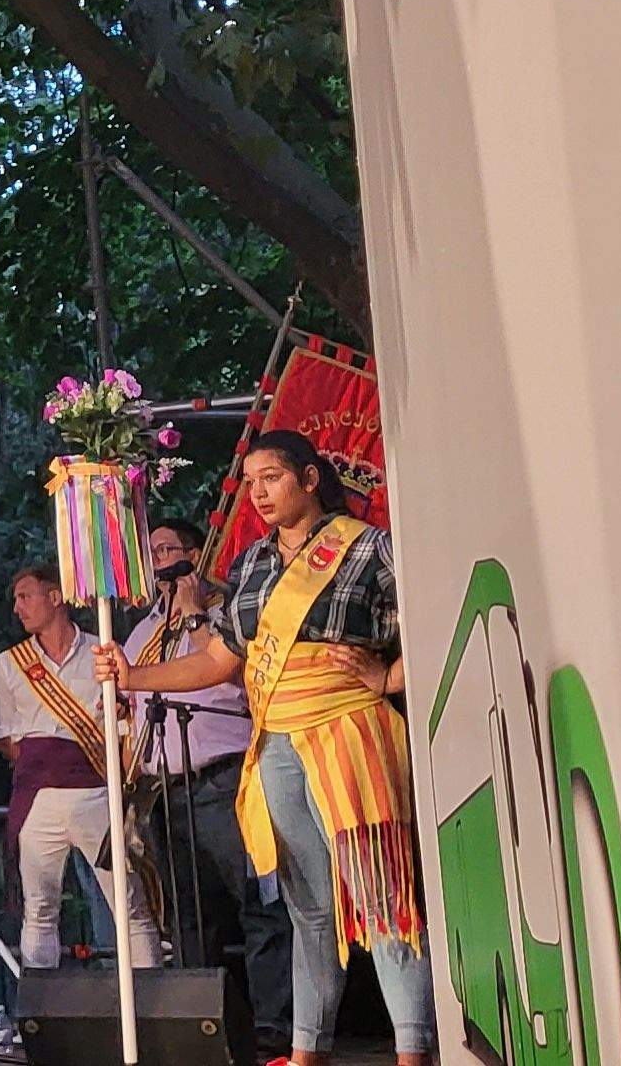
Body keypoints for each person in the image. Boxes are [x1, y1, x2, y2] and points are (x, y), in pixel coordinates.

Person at [102, 432, 434, 1066]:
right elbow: (220, 661)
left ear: (309, 479)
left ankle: (413, 1052)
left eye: (272, 478)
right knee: (307, 907)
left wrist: (387, 679)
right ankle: (309, 1052)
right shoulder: (253, 562)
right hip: (275, 739)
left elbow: (433, 618)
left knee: (381, 899)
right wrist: (130, 675)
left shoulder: (368, 548)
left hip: (349, 732)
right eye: (251, 482)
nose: (258, 493)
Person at [122, 516, 293, 1059]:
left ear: (195, 556)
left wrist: (196, 612)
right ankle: (205, 1028)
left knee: (257, 904)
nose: (159, 561)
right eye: (151, 553)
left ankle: (274, 1030)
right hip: (163, 790)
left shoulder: (226, 616)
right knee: (190, 916)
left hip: (223, 778)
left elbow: (238, 677)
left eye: (168, 548)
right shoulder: (143, 631)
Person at [0, 565, 165, 970]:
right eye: (16, 599)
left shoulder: (102, 652)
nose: (18, 607)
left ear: (55, 597)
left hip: (97, 792)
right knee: (39, 910)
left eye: (26, 595)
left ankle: (151, 1006)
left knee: (129, 904)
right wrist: (46, 763)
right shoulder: (9, 664)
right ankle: (38, 1015)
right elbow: (3, 736)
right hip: (39, 798)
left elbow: (126, 722)